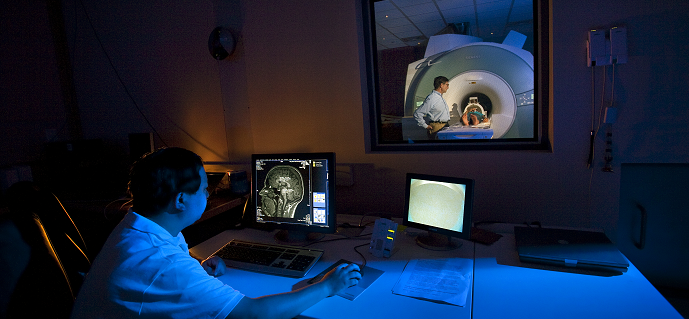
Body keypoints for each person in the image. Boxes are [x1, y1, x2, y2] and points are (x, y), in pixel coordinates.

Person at [70, 147, 361, 319]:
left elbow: (159, 276)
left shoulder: (138, 227)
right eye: (204, 187)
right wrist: (327, 286)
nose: (209, 192)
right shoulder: (163, 265)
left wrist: (196, 271)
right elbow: (253, 315)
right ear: (181, 200)